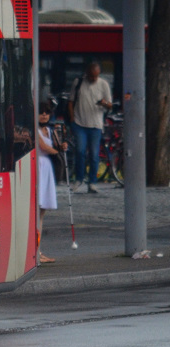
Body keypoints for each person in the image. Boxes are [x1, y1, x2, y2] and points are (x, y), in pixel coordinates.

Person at [67, 62, 112, 193]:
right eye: (91, 76)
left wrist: (104, 103)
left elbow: (110, 105)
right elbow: (70, 101)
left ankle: (92, 182)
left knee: (94, 154)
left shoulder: (104, 84)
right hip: (79, 122)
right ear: (87, 73)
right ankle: (79, 179)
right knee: (80, 152)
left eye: (95, 76)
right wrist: (72, 119)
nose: (93, 79)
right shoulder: (78, 82)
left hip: (96, 124)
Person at [37, 101, 66, 264]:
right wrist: (57, 151)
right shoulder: (35, 130)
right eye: (41, 112)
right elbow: (43, 147)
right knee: (37, 211)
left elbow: (55, 145)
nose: (44, 115)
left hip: (47, 168)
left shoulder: (50, 130)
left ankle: (39, 250)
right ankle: (36, 251)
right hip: (39, 167)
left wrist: (62, 146)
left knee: (42, 213)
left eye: (47, 112)